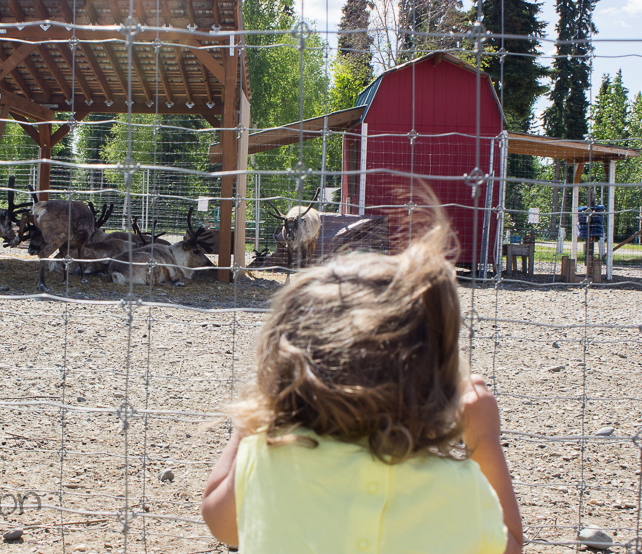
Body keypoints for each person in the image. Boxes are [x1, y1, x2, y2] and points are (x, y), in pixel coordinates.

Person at [201, 206, 523, 554]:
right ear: (434, 383)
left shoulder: (270, 459)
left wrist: (258, 412)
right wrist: (485, 440)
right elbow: (510, 545)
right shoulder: (454, 486)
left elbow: (219, 521)